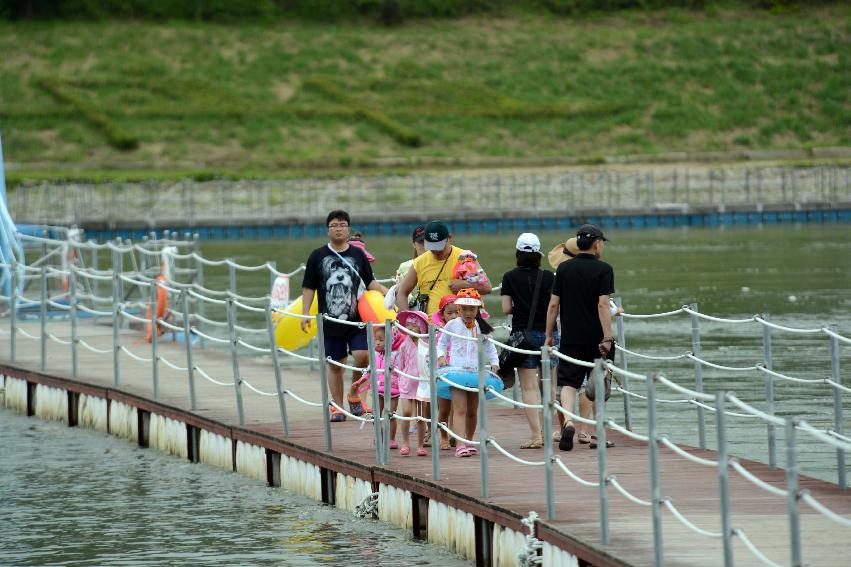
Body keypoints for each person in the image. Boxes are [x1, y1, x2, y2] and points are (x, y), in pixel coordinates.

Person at [301, 210, 387, 422]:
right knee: (336, 364)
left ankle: (354, 394)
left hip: (357, 318)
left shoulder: (358, 255)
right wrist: (305, 314)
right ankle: (337, 407)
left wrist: (390, 293)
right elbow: (309, 287)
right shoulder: (317, 256)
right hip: (330, 319)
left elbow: (370, 283)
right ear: (328, 229)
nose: (338, 228)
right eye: (334, 225)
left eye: (342, 224)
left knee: (363, 356)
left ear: (348, 229)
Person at [545, 224, 615, 452]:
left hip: (571, 337)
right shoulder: (604, 269)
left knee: (568, 383)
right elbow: (603, 304)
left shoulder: (564, 269)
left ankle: (568, 422)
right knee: (598, 385)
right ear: (597, 243)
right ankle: (595, 434)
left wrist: (548, 335)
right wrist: (607, 336)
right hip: (596, 337)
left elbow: (553, 304)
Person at [500, 233, 556, 449]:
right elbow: (554, 306)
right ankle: (550, 431)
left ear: (518, 253)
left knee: (529, 388)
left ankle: (536, 435)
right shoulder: (550, 277)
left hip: (524, 336)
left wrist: (519, 308)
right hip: (549, 335)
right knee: (549, 386)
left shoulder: (509, 277)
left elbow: (506, 309)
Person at [436, 288, 502, 458]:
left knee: (472, 410)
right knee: (459, 409)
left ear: (478, 309)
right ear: (458, 309)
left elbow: (489, 346)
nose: (467, 312)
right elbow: (441, 343)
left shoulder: (481, 327)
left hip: (475, 373)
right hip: (456, 373)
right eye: (464, 309)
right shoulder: (452, 324)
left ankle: (469, 440)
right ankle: (459, 444)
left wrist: (494, 362)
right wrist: (441, 357)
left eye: (472, 309)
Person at [395, 220, 492, 315]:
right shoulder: (419, 262)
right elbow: (402, 294)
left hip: (461, 327)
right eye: (432, 248)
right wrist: (407, 320)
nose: (436, 252)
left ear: (449, 238)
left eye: (440, 247)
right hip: (431, 328)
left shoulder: (465, 258)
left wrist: (464, 285)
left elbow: (487, 288)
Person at [395, 310, 430, 456]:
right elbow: (401, 365)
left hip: (422, 383)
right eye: (407, 325)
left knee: (421, 416)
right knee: (407, 412)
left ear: (421, 327)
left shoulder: (427, 344)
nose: (409, 328)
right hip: (407, 382)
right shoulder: (404, 344)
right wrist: (400, 378)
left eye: (413, 326)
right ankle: (405, 442)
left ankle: (420, 445)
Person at [431, 293, 458, 450]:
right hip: (443, 374)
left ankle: (456, 434)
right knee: (444, 408)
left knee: (459, 407)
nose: (454, 316)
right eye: (449, 313)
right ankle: (443, 436)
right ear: (442, 314)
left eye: (457, 312)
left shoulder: (464, 330)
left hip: (459, 372)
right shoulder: (438, 333)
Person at [385, 224, 426, 310]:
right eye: (420, 242)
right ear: (414, 244)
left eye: (427, 242)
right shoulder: (404, 267)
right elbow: (400, 295)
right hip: (413, 311)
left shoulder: (438, 264)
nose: (424, 246)